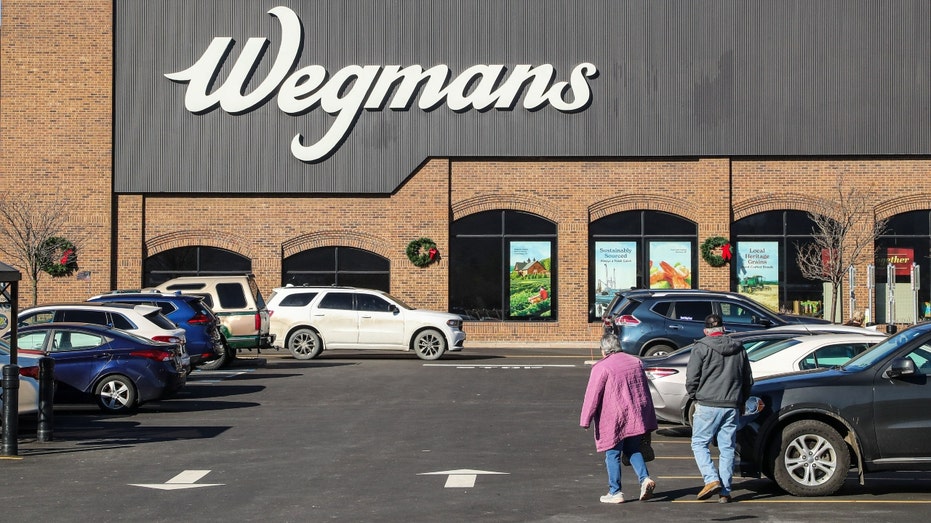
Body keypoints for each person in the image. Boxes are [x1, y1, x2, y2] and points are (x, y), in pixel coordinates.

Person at [580, 333, 658, 504]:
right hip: (635, 415)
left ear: (604, 349)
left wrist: (585, 419)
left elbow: (592, 396)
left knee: (612, 453)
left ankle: (615, 492)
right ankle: (645, 479)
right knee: (633, 449)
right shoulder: (635, 361)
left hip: (614, 417)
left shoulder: (602, 367)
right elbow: (643, 390)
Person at [686, 314, 753, 503]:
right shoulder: (739, 348)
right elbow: (747, 379)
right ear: (723, 329)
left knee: (699, 443)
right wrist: (741, 401)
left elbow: (692, 379)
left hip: (707, 403)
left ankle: (711, 479)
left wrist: (694, 396)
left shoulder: (701, 347)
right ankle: (725, 491)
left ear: (706, 331)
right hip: (731, 405)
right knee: (727, 448)